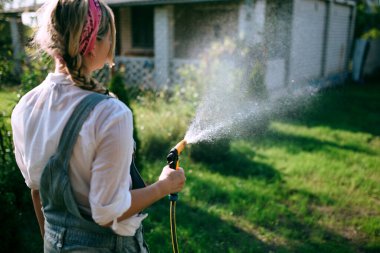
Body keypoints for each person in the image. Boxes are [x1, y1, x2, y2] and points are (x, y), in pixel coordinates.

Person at [11, 0, 186, 252]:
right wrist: (164, 186)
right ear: (94, 43)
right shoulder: (110, 113)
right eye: (111, 37)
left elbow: (37, 192)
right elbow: (108, 212)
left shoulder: (26, 107)